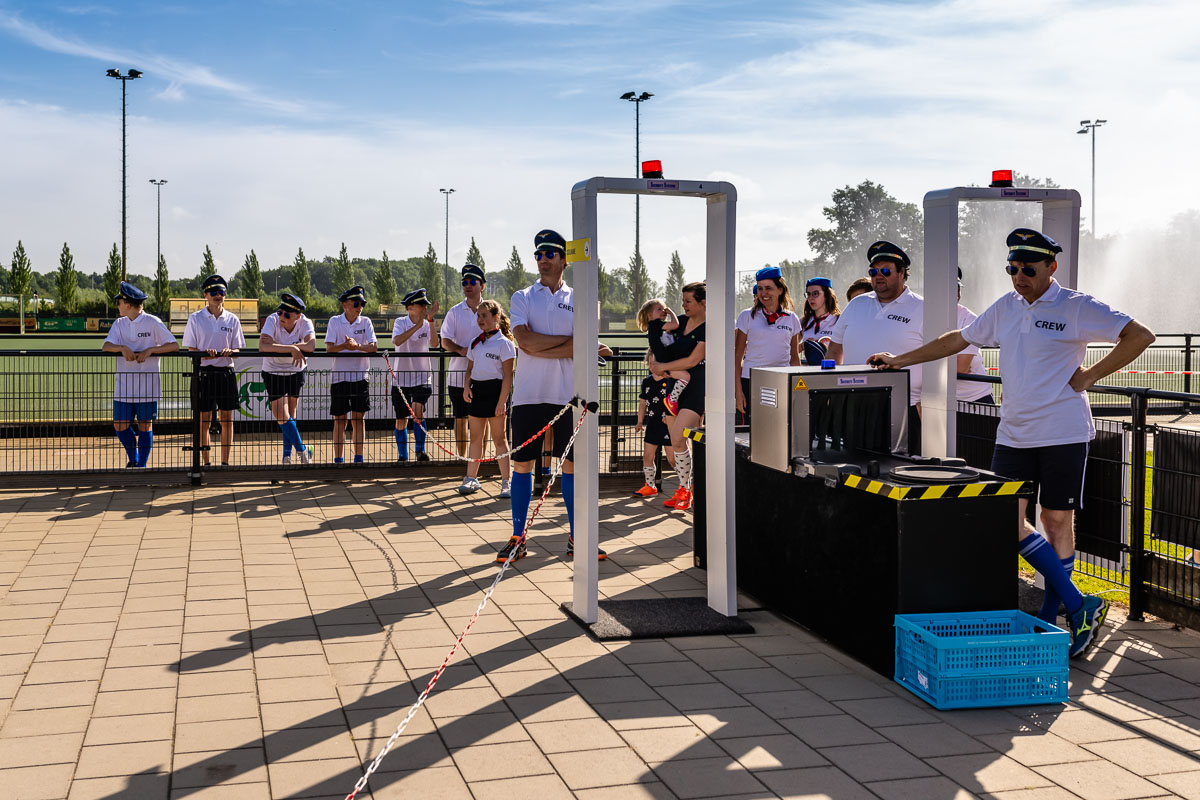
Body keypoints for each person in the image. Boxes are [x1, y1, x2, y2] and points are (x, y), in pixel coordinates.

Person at [868, 227, 1156, 659]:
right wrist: (899, 360)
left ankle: (1052, 618)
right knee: (1008, 520)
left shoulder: (1077, 305)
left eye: (1028, 268)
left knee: (1056, 522)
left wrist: (1090, 376)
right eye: (1012, 268)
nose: (1018, 275)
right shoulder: (1006, 306)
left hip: (1063, 432)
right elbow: (957, 339)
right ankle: (1081, 606)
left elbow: (1140, 335)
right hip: (1014, 433)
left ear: (1050, 267)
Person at [497, 228, 604, 563]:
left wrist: (549, 345)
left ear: (563, 259)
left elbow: (569, 343)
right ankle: (517, 537)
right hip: (530, 395)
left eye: (549, 254)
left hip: (569, 397)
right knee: (523, 465)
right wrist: (570, 346)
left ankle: (577, 538)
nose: (543, 260)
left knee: (571, 466)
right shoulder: (522, 297)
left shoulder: (581, 298)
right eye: (538, 255)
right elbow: (524, 342)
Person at [827, 241, 925, 454]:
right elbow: (835, 350)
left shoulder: (922, 308)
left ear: (902, 273)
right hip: (854, 406)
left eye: (885, 271)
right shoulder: (856, 304)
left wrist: (928, 401)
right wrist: (832, 392)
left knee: (899, 472)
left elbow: (938, 358)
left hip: (904, 408)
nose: (878, 276)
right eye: (873, 271)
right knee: (853, 470)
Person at [101, 281, 179, 467]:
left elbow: (174, 345)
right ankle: (134, 459)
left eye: (119, 302)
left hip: (147, 385)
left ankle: (141, 466)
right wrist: (121, 348)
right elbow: (106, 346)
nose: (117, 306)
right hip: (124, 386)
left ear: (128, 304)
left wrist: (151, 350)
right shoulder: (119, 324)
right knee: (119, 425)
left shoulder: (152, 322)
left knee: (145, 425)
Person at [650, 281, 707, 512]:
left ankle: (690, 489)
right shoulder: (680, 322)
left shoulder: (708, 327)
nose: (684, 305)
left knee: (677, 437)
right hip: (674, 386)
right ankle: (685, 489)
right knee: (677, 442)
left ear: (703, 302)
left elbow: (693, 360)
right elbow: (658, 334)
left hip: (696, 387)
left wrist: (663, 367)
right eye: (683, 301)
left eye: (688, 301)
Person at [182, 275, 245, 467]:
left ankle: (225, 463)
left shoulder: (232, 319)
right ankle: (206, 462)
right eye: (214, 292)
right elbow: (191, 350)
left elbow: (237, 351)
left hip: (225, 372)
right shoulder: (195, 318)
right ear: (205, 295)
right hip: (204, 374)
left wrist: (230, 352)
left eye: (222, 292)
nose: (218, 296)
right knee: (204, 419)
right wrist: (205, 355)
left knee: (227, 418)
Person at [459, 299, 516, 497]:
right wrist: (466, 387)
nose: (480, 319)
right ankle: (471, 479)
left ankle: (506, 482)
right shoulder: (475, 342)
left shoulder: (505, 344)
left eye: (484, 315)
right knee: (476, 438)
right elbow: (469, 370)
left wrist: (502, 401)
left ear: (496, 318)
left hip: (495, 393)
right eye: (478, 316)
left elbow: (508, 375)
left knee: (499, 439)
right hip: (477, 393)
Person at [734, 267, 801, 423]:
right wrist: (738, 392)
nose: (763, 293)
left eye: (768, 288)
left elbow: (794, 358)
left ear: (779, 290)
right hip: (750, 382)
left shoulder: (791, 318)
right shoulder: (746, 316)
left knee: (778, 429)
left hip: (781, 382)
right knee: (749, 433)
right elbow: (737, 357)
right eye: (760, 289)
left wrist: (798, 391)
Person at [259, 292, 316, 464]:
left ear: (298, 316)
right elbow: (263, 346)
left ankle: (286, 457)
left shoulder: (305, 322)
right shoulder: (272, 320)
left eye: (287, 314)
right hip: (273, 370)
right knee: (281, 416)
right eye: (280, 311)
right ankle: (303, 450)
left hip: (295, 370)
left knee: (291, 414)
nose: (282, 316)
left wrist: (290, 348)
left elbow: (311, 346)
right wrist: (292, 349)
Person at [438, 263, 487, 457]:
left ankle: (481, 461)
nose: (468, 285)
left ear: (482, 285)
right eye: (464, 282)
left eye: (472, 281)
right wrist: (461, 350)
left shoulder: (491, 310)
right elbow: (444, 341)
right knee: (460, 419)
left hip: (486, 376)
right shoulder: (454, 312)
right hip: (458, 377)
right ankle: (463, 459)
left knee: (483, 420)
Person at [325, 285, 377, 464]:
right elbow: (329, 349)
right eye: (356, 303)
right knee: (340, 420)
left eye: (362, 303)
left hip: (360, 377)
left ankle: (359, 459)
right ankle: (338, 460)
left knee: (358, 419)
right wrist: (345, 347)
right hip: (339, 378)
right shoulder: (335, 321)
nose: (359, 307)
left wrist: (358, 347)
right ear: (345, 305)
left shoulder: (366, 322)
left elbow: (374, 347)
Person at [391, 288, 439, 463]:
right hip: (401, 378)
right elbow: (397, 340)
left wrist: (430, 322)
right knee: (401, 418)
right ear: (410, 307)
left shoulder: (427, 324)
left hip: (422, 377)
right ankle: (402, 455)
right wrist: (417, 327)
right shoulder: (400, 322)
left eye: (426, 305)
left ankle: (420, 451)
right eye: (421, 304)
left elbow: (434, 343)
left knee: (417, 411)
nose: (425, 307)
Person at [634, 350, 675, 497]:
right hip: (652, 423)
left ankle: (686, 485)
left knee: (673, 458)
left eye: (655, 363)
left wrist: (672, 416)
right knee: (647, 456)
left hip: (669, 424)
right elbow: (643, 403)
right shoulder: (647, 382)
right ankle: (650, 485)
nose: (652, 366)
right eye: (649, 363)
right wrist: (640, 421)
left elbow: (676, 401)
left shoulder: (671, 380)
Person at [638, 298, 690, 416]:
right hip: (666, 362)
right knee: (686, 377)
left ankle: (673, 399)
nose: (663, 311)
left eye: (664, 308)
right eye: (659, 309)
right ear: (649, 314)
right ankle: (672, 400)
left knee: (684, 377)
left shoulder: (656, 327)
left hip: (664, 361)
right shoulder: (656, 324)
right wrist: (671, 312)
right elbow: (675, 324)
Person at [955, 269, 996, 406]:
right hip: (941, 400)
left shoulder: (969, 319)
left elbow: (960, 367)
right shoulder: (924, 315)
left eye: (957, 288)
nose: (956, 293)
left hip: (976, 399)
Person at [800, 276, 841, 365]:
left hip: (832, 369)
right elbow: (791, 349)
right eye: (808, 294)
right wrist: (804, 346)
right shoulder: (804, 321)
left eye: (815, 293)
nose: (811, 298)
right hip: (808, 369)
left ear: (827, 295)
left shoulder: (838, 320)